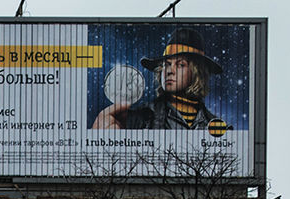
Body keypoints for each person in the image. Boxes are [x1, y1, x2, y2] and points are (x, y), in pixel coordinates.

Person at [92, 27, 224, 131]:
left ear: (197, 72)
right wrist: (99, 139)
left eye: (180, 65)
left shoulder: (216, 126)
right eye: (167, 64)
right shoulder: (138, 119)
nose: (170, 71)